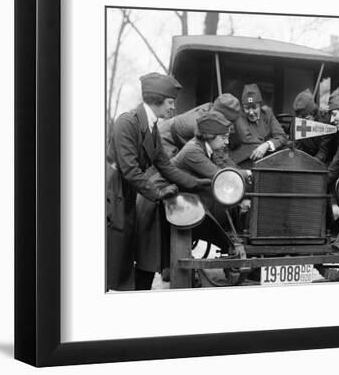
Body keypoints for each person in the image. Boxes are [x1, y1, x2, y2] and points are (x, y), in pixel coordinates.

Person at [105, 72, 209, 291]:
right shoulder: (127, 122)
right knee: (114, 255)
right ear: (156, 99)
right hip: (113, 191)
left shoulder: (152, 128)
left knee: (138, 252)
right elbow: (129, 169)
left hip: (131, 191)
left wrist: (200, 183)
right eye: (170, 102)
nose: (173, 108)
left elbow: (166, 166)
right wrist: (157, 193)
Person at [135, 110, 250, 288]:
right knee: (149, 259)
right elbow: (219, 176)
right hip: (154, 201)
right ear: (210, 135)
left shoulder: (207, 148)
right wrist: (251, 173)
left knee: (160, 255)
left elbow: (223, 169)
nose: (226, 141)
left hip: (170, 200)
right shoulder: (193, 151)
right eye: (223, 137)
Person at [159, 93, 241, 158]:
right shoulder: (201, 124)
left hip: (179, 138)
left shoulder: (211, 109)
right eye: (227, 121)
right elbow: (210, 155)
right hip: (166, 139)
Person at [230, 83, 288, 164]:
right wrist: (270, 142)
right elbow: (248, 140)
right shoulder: (239, 116)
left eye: (254, 107)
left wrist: (267, 145)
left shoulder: (267, 113)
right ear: (242, 108)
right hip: (243, 162)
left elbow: (282, 136)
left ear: (260, 106)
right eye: (247, 108)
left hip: (267, 160)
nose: (251, 112)